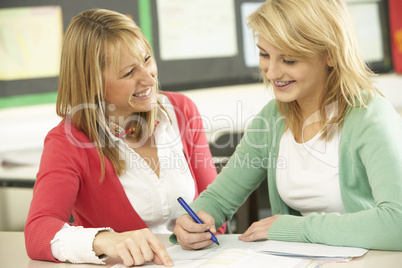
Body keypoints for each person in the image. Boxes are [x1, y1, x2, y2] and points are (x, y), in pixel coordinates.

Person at [172, 0, 402, 251]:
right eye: (264, 54)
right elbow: (219, 198)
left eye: (289, 60)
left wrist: (292, 228)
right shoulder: (272, 119)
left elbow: (396, 223)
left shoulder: (371, 117)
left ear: (331, 55)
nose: (271, 73)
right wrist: (192, 221)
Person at [24, 8, 225, 267]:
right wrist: (106, 240)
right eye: (129, 73)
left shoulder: (181, 111)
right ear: (93, 84)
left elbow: (216, 207)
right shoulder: (67, 141)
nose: (149, 78)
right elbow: (38, 231)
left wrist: (205, 227)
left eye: (147, 59)